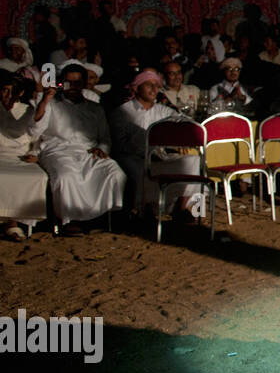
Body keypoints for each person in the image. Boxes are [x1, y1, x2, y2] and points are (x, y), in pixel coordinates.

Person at [28, 63, 127, 234]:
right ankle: (70, 220)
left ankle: (98, 218)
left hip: (88, 151)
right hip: (57, 151)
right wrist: (45, 100)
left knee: (115, 173)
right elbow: (34, 130)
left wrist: (102, 149)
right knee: (66, 177)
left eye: (77, 83)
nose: (72, 87)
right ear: (62, 83)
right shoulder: (51, 105)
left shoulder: (95, 108)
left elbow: (104, 138)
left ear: (84, 84)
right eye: (68, 83)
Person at [110, 69, 202, 220]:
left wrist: (184, 132)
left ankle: (184, 208)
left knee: (193, 161)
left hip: (159, 157)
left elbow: (183, 120)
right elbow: (119, 144)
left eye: (157, 86)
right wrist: (147, 153)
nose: (154, 89)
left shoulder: (163, 110)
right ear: (136, 87)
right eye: (149, 85)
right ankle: (146, 210)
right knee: (141, 170)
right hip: (133, 158)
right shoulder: (122, 112)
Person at [0, 70, 46, 241]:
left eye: (12, 91)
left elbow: (38, 139)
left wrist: (35, 154)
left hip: (20, 158)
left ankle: (12, 223)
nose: (8, 95)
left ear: (20, 93)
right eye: (4, 90)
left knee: (32, 177)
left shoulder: (28, 110)